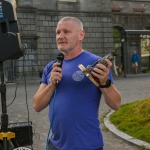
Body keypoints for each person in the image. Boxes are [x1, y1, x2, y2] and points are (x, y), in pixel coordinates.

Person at [33, 16, 121, 150]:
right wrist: (51, 84)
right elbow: (37, 105)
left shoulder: (96, 64)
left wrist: (105, 82)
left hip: (87, 145)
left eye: (66, 32)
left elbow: (116, 104)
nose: (60, 36)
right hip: (56, 144)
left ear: (81, 35)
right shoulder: (52, 67)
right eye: (58, 32)